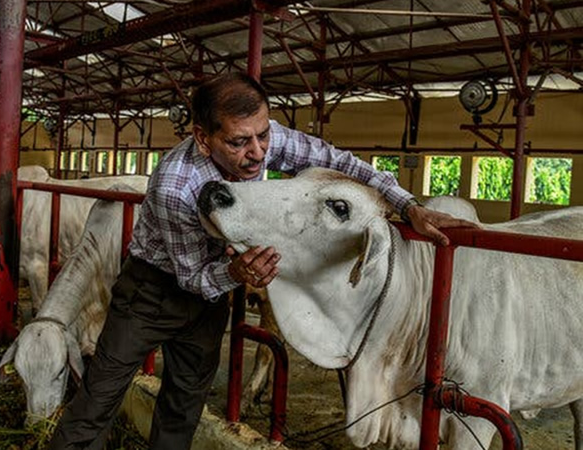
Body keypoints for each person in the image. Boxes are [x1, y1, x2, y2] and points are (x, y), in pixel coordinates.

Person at [48, 73, 475, 450]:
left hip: (212, 297)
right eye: (238, 142)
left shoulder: (261, 138)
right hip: (152, 290)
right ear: (202, 138)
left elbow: (339, 162)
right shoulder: (176, 186)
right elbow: (192, 277)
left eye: (263, 136)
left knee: (184, 404)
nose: (257, 152)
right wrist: (236, 273)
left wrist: (408, 204)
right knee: (99, 397)